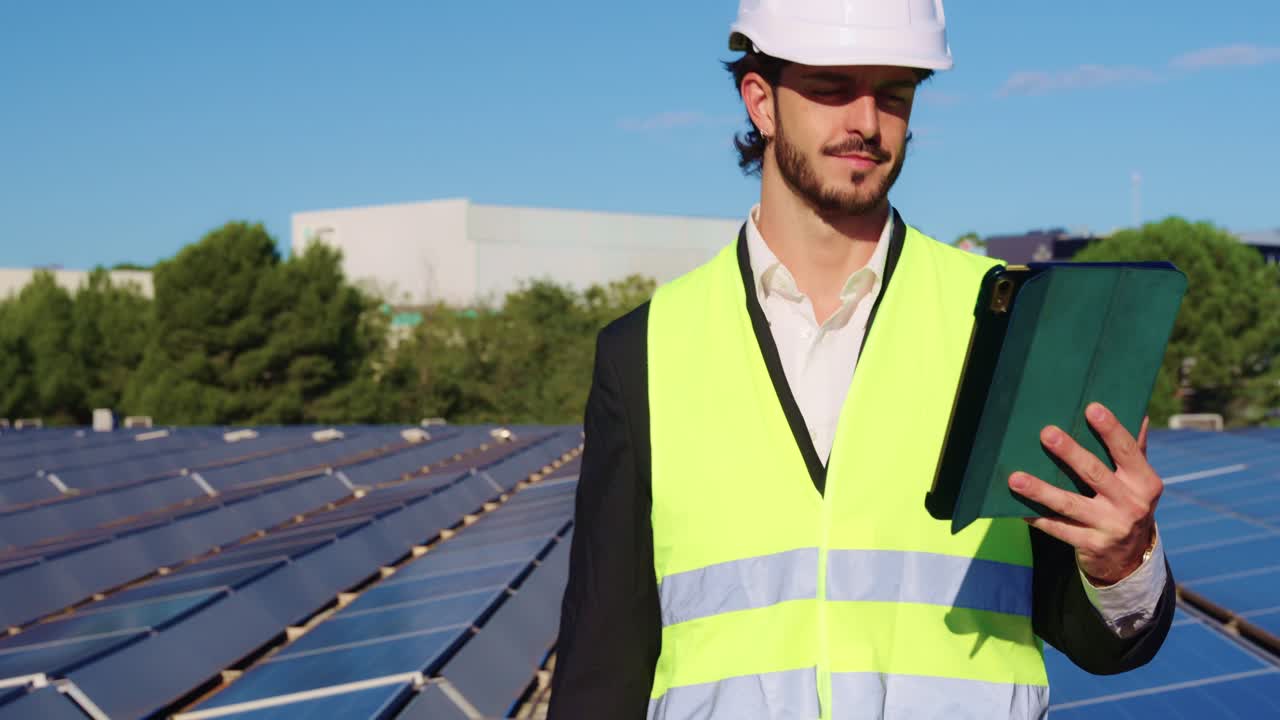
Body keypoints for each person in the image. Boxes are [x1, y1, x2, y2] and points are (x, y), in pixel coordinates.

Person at [548, 2, 1175, 718]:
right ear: (761, 101)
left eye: (894, 94)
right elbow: (604, 656)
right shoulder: (645, 349)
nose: (867, 123)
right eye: (831, 86)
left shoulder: (1011, 321)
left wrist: (1123, 562)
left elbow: (1099, 634)